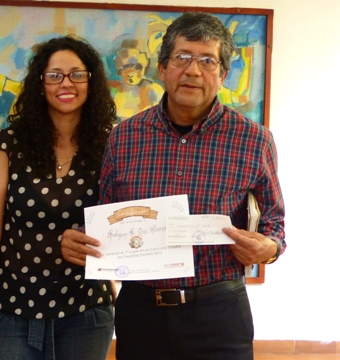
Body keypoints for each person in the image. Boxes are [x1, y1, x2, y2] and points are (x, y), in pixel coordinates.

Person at [61, 12, 286, 360]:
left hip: (220, 312)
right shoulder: (124, 137)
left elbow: (275, 223)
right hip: (141, 312)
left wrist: (267, 248)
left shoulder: (254, 140)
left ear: (223, 74)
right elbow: (105, 219)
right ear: (163, 68)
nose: (193, 71)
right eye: (182, 58)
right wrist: (82, 239)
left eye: (207, 60)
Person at [0, 35, 117, 360]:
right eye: (54, 75)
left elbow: (121, 226)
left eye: (77, 74)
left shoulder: (109, 146)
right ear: (40, 83)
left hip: (86, 312)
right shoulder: (8, 144)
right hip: (11, 313)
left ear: (91, 80)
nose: (67, 83)